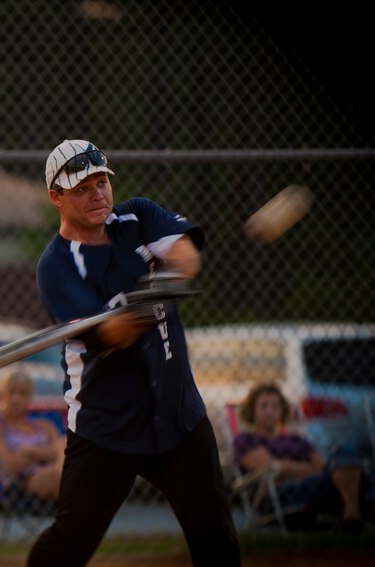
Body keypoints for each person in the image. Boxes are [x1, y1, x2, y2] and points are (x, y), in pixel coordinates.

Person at [27, 140, 240, 567]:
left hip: (176, 412)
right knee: (70, 542)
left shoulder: (136, 216)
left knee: (212, 531)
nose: (98, 193)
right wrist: (151, 294)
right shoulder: (57, 267)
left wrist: (173, 273)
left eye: (101, 181)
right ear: (57, 197)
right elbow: (115, 334)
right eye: (83, 187)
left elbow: (185, 253)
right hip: (107, 425)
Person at [234, 381, 375, 535]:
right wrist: (306, 469)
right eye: (263, 406)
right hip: (280, 496)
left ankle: (353, 512)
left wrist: (289, 468)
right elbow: (271, 468)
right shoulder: (246, 440)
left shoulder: (296, 440)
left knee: (345, 451)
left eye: (275, 406)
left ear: (282, 411)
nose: (270, 411)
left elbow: (320, 466)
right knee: (356, 477)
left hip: (317, 486)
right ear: (252, 411)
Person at [0, 369, 67, 502]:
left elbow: (61, 449)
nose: (16, 399)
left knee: (65, 443)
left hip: (52, 470)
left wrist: (30, 452)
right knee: (65, 472)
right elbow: (10, 465)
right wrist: (48, 454)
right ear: (2, 395)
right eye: (11, 392)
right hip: (22, 484)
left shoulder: (44, 425)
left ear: (29, 398)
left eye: (23, 393)